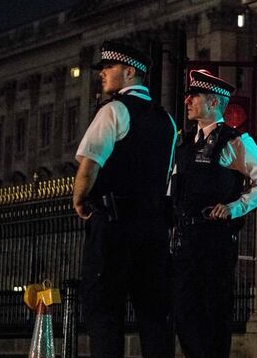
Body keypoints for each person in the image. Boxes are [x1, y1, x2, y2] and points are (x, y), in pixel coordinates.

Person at [72, 40, 177, 358]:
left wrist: (79, 199)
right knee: (154, 315)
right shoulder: (167, 120)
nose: (102, 74)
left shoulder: (113, 110)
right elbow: (169, 175)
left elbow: (89, 166)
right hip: (153, 229)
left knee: (104, 310)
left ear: (130, 71)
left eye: (108, 68)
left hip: (114, 226)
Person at [171, 68, 257, 358]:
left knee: (213, 314)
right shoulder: (183, 143)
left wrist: (233, 208)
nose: (188, 101)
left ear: (214, 102)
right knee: (183, 313)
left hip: (214, 240)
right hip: (184, 239)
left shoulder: (233, 140)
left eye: (194, 96)